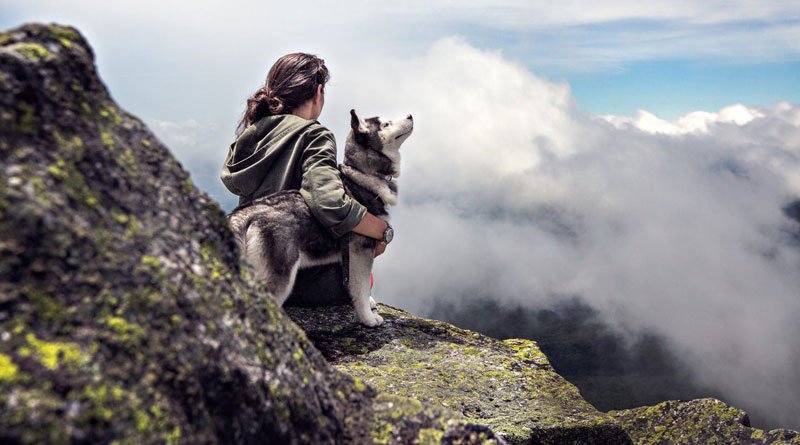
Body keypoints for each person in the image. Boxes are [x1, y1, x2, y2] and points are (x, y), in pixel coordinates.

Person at [220, 53, 391, 305]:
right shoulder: (314, 135)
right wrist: (381, 230)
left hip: (254, 273)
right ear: (319, 92)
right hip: (303, 283)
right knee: (364, 276)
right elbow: (329, 201)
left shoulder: (251, 135)